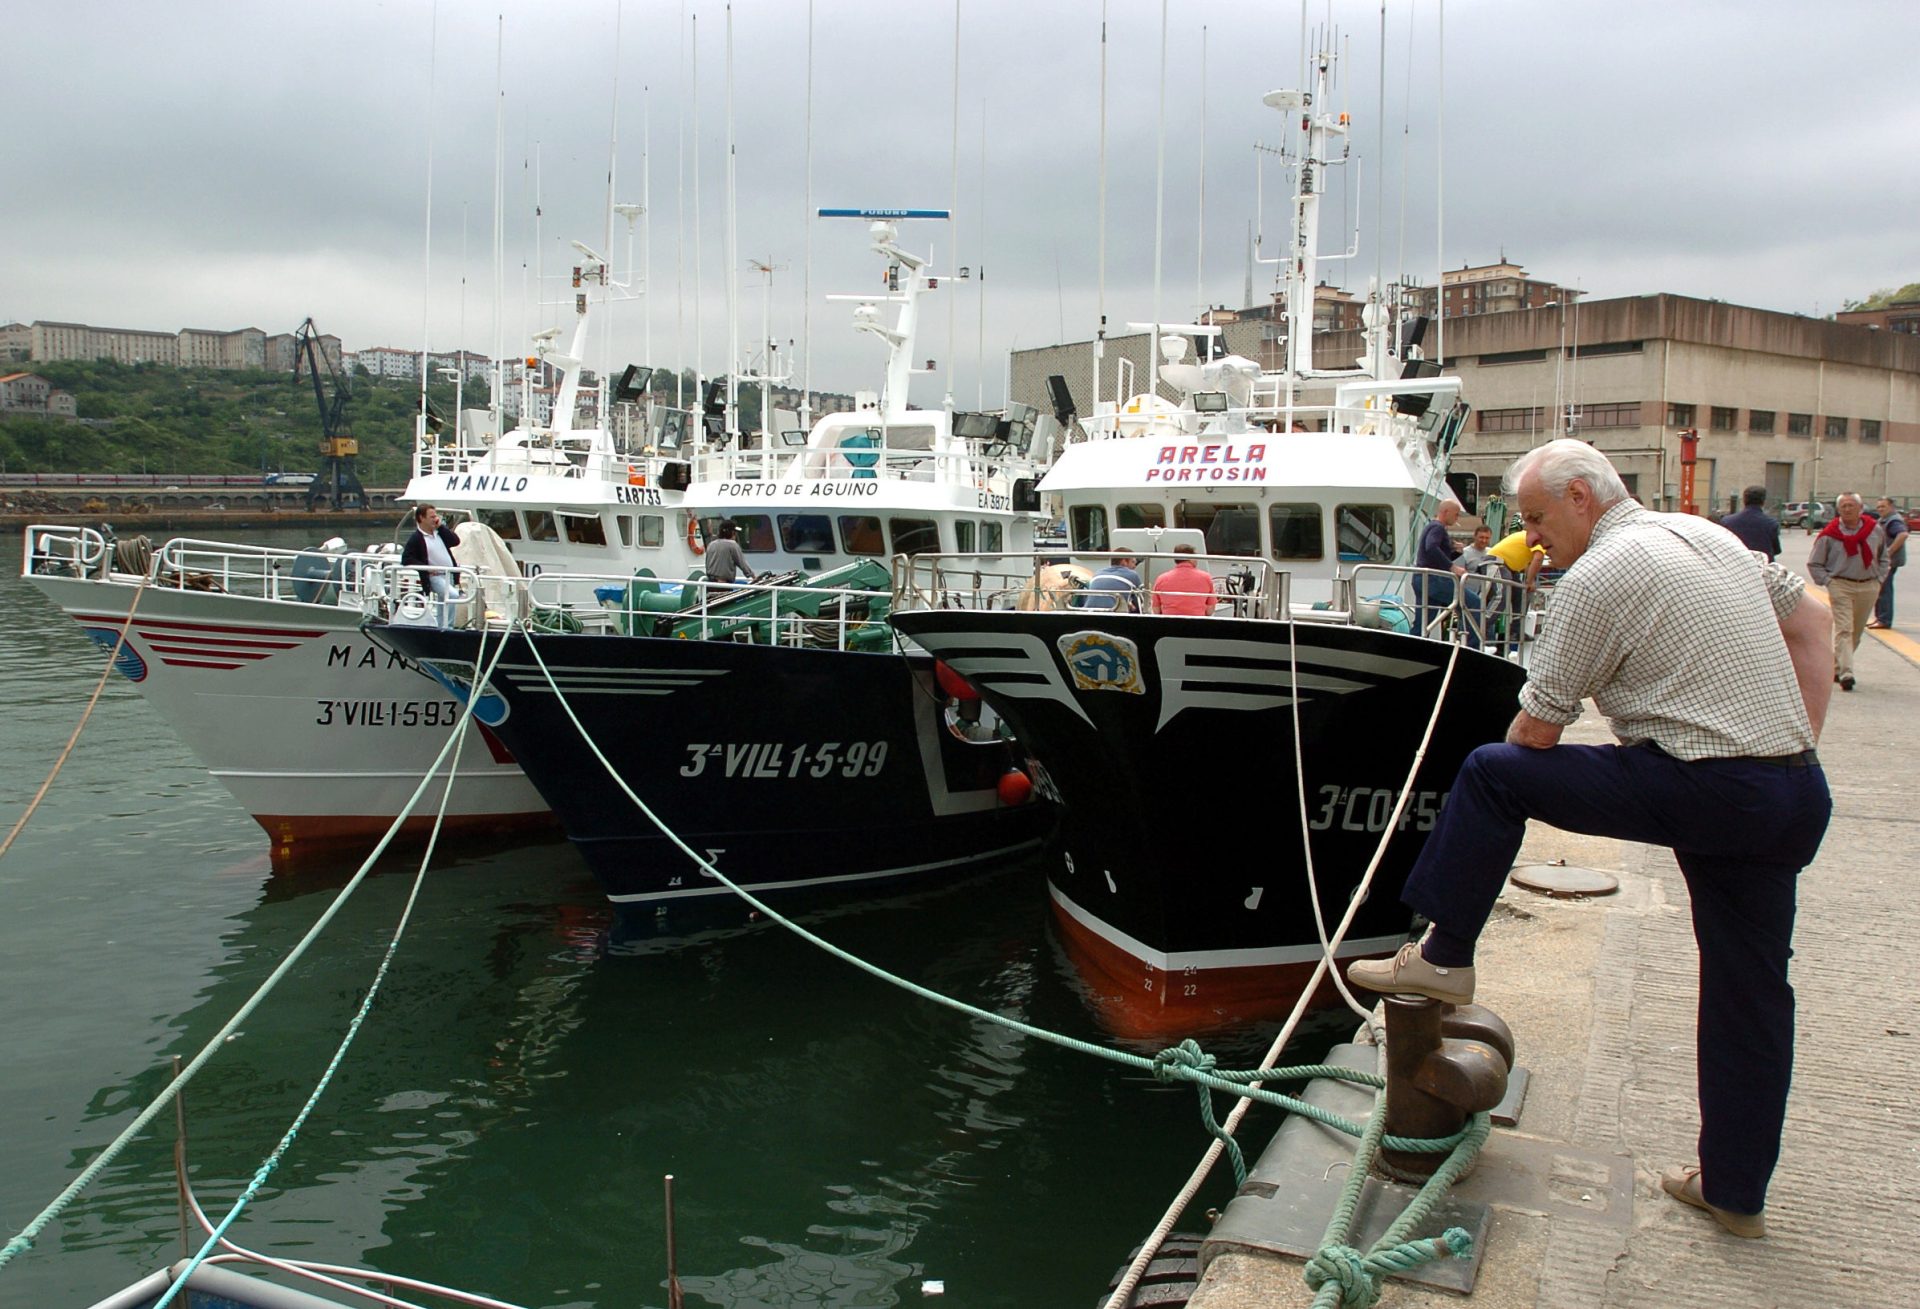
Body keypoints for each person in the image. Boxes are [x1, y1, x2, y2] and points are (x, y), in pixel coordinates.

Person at [1346, 438, 1833, 1241]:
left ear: (1582, 498)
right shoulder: (1708, 535)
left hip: (1709, 785)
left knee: (1493, 772)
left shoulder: (1600, 575)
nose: (1529, 536)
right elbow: (1811, 618)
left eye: (1536, 518)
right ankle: (1737, 1190)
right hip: (1791, 790)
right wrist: (1794, 744)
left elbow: (1534, 730)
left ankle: (1443, 953)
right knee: (1752, 994)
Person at [1806, 492, 1886, 691]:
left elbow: (1884, 556)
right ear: (1838, 510)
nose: (1848, 509)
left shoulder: (1874, 530)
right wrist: (1829, 582)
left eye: (1851, 505)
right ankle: (1847, 673)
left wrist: (1880, 578)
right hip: (1841, 585)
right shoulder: (1829, 534)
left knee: (1856, 632)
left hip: (1868, 585)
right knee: (1844, 629)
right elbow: (1815, 563)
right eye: (1844, 506)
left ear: (1861, 509)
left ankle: (1837, 667)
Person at [1413, 499, 1480, 647]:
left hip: (1421, 578)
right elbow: (1431, 547)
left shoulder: (1431, 526)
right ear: (1446, 512)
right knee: (1474, 603)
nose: (1457, 518)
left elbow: (1431, 552)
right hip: (1435, 580)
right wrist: (1453, 567)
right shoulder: (1438, 527)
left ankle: (1413, 648)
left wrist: (1454, 552)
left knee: (1423, 622)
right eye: (1456, 515)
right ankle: (1473, 646)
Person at [401, 504, 461, 622]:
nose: (435, 519)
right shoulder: (417, 538)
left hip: (449, 574)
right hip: (435, 576)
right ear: (422, 518)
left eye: (435, 516)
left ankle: (442, 626)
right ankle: (447, 626)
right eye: (432, 517)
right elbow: (406, 558)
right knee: (452, 595)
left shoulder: (440, 533)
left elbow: (455, 541)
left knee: (444, 602)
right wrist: (426, 568)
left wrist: (441, 527)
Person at [1869, 497, 1907, 629]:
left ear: (1891, 507)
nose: (1880, 509)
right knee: (1881, 589)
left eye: (1883, 507)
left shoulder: (1893, 520)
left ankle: (1884, 620)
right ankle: (1880, 618)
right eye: (1878, 507)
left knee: (1884, 590)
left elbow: (1902, 534)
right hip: (1883, 561)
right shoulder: (1885, 520)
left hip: (1889, 562)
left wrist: (1889, 552)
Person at [1719, 485, 1782, 561]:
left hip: (1736, 564)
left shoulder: (1727, 521)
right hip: (1761, 566)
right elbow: (1777, 550)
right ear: (1763, 501)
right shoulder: (1771, 523)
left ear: (1744, 500)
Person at [1151, 545, 1216, 616]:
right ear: (1191, 558)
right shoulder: (1205, 577)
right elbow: (1210, 610)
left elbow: (1156, 610)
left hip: (1169, 622)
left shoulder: (1161, 578)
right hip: (1197, 623)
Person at [703, 519, 757, 586]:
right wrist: (754, 577)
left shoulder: (711, 545)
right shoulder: (732, 545)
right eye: (735, 532)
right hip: (724, 585)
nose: (735, 535)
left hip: (710, 584)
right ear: (732, 533)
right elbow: (742, 564)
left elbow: (707, 564)